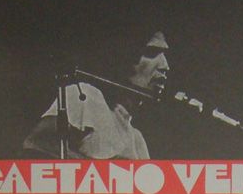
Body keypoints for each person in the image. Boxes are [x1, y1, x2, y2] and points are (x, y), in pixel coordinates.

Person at [23, 31, 169, 159]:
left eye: (164, 55)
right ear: (123, 58)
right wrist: (104, 169)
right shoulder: (85, 96)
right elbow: (34, 144)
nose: (165, 66)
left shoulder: (137, 140)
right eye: (151, 53)